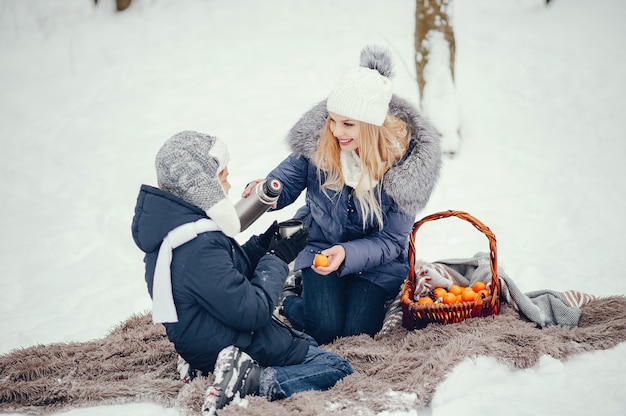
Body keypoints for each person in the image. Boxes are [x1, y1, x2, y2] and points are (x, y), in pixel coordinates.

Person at [131, 131, 353, 415]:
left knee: (305, 341)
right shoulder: (198, 246)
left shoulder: (178, 230)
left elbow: (226, 273)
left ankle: (207, 367)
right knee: (336, 367)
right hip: (220, 340)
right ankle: (250, 382)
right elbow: (254, 312)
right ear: (201, 183)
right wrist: (278, 257)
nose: (229, 184)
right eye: (222, 176)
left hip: (204, 332)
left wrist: (263, 244)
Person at [243, 45, 442, 345]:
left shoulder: (405, 168)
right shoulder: (322, 143)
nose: (336, 131)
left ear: (373, 125)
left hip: (377, 264)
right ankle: (292, 297)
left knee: (356, 334)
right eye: (332, 120)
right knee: (324, 330)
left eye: (347, 124)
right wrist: (266, 191)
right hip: (320, 246)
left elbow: (392, 241)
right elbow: (287, 180)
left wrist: (348, 254)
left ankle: (347, 299)